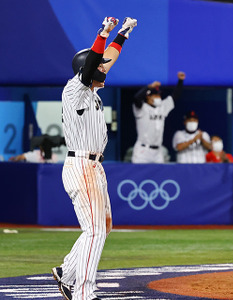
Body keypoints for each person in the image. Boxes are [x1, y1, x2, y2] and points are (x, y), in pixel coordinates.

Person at [52, 16, 137, 300]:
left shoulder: (93, 92)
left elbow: (106, 59)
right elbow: (93, 63)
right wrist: (103, 33)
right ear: (85, 70)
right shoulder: (74, 91)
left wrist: (122, 35)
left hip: (93, 166)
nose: (104, 66)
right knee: (95, 231)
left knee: (104, 227)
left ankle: (67, 272)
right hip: (81, 165)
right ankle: (83, 293)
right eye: (98, 64)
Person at [131, 72, 186, 163]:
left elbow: (175, 97)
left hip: (158, 151)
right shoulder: (141, 108)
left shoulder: (162, 107)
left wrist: (180, 81)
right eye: (155, 95)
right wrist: (149, 87)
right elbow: (136, 98)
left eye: (159, 95)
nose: (158, 97)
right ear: (148, 97)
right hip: (143, 150)